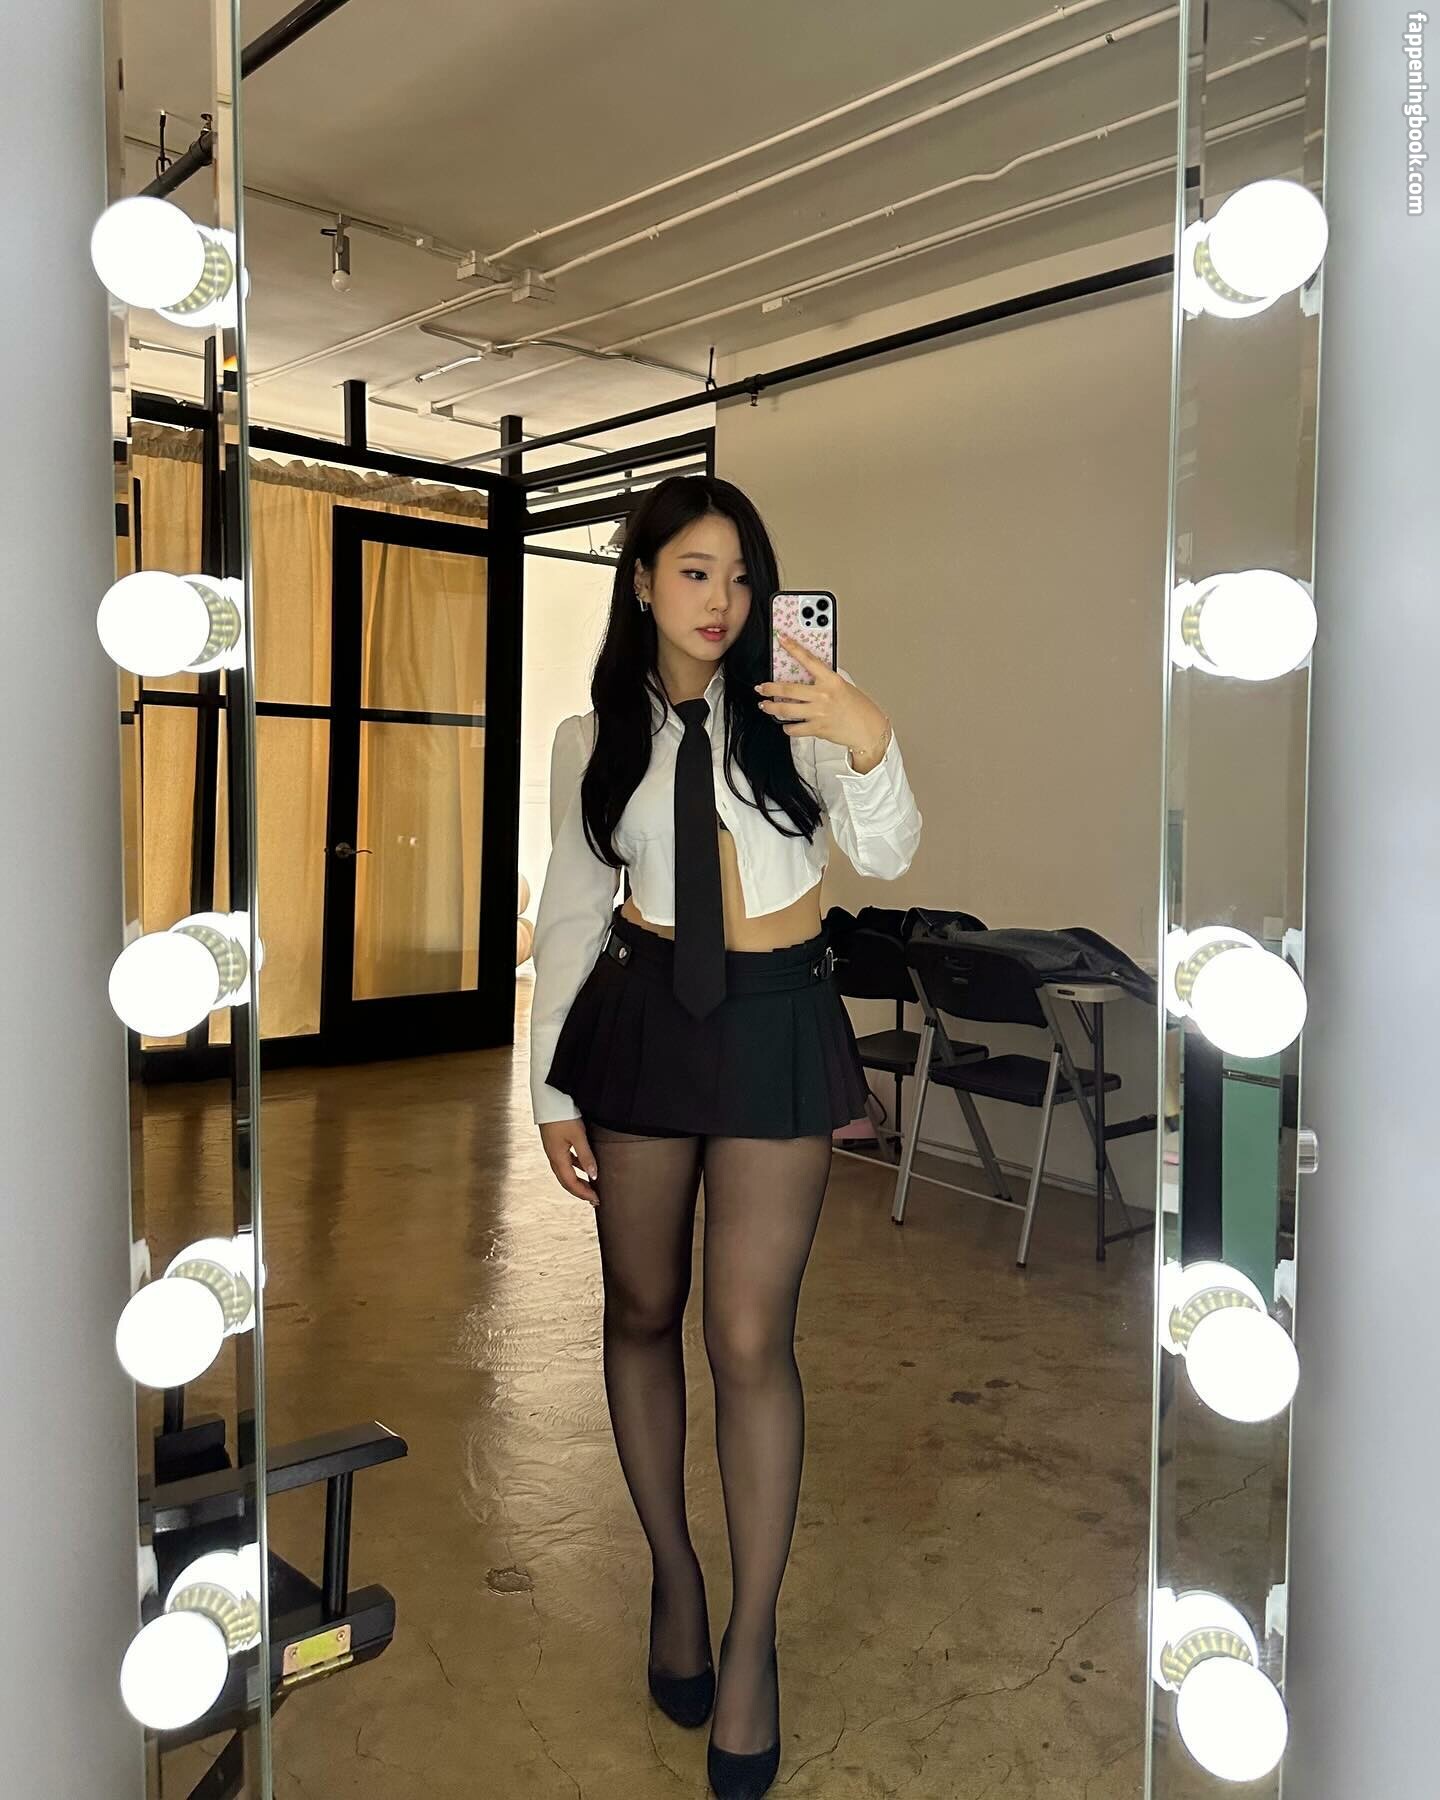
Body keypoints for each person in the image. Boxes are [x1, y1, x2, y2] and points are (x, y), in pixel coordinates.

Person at [529, 474, 921, 1799]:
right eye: (695, 572)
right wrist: (550, 1092)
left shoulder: (795, 715)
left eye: (741, 576)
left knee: (750, 1339)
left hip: (774, 1021)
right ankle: (676, 1578)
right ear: (641, 581)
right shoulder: (593, 738)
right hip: (641, 1019)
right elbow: (572, 911)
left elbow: (889, 855)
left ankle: (751, 1642)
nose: (721, 601)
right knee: (641, 1309)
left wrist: (869, 737)